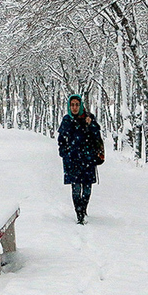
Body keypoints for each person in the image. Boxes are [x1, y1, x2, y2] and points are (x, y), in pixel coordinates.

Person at [58, 94, 104, 224]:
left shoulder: (89, 118)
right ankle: (79, 214)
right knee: (76, 187)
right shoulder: (66, 120)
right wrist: (64, 153)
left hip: (88, 158)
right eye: (72, 105)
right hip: (72, 159)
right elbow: (61, 139)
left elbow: (97, 135)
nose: (74, 107)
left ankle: (84, 208)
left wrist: (91, 125)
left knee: (87, 187)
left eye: (77, 105)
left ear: (81, 105)